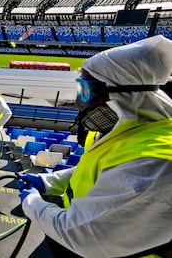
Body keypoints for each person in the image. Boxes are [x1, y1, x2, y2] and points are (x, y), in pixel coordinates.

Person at [17, 35, 172, 258]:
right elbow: (98, 172)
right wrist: (48, 181)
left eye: (85, 90)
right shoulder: (120, 130)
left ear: (123, 93)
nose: (80, 101)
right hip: (61, 241)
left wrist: (31, 202)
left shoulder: (156, 164)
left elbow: (82, 237)